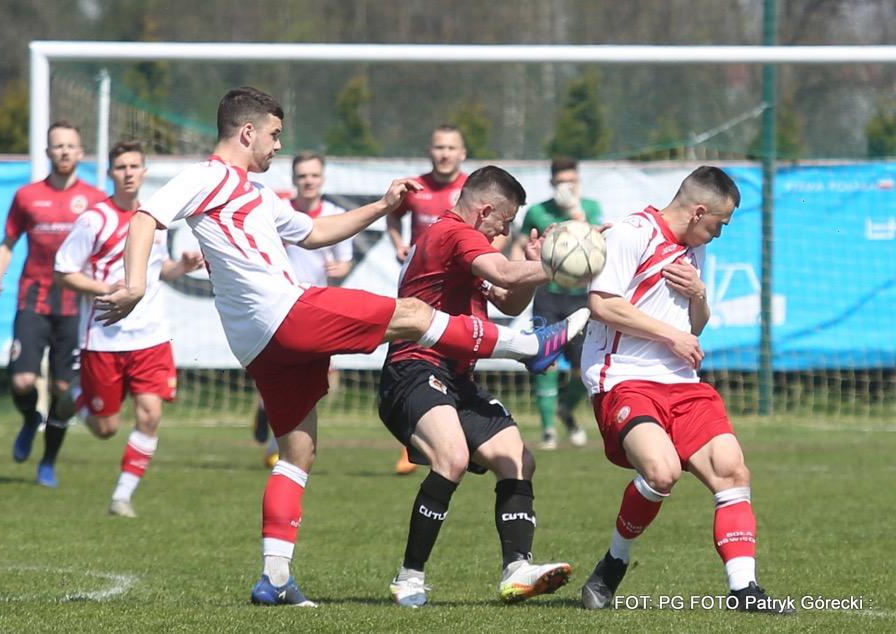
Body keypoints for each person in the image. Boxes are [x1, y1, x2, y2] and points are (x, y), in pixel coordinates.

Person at [95, 86, 583, 607]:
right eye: (274, 135)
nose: (277, 146)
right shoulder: (208, 176)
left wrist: (381, 206)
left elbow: (314, 233)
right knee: (411, 315)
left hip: (258, 343)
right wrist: (136, 284)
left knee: (298, 452)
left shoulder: (258, 194)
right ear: (247, 132)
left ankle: (275, 578)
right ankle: (527, 346)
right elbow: (146, 217)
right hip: (282, 311)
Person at [578, 166, 792, 614]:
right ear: (698, 212)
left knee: (732, 471)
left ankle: (745, 591)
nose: (719, 234)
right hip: (625, 378)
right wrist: (671, 336)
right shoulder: (632, 234)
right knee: (661, 472)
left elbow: (693, 327)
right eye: (718, 224)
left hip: (682, 382)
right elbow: (602, 305)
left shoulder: (695, 249)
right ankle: (615, 562)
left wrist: (699, 295)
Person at [380, 165, 590, 608]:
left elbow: (510, 298)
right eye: (505, 221)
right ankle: (409, 577)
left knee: (518, 458)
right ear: (485, 210)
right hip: (414, 369)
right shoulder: (454, 234)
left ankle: (517, 570)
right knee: (452, 457)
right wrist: (563, 261)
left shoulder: (462, 243)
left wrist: (532, 265)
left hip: (457, 378)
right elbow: (507, 273)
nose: (506, 231)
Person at [54, 141, 204, 516]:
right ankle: (74, 393)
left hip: (151, 336)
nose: (128, 173)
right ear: (110, 173)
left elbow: (158, 270)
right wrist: (105, 288)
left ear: (144, 172)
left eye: (134, 166)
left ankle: (122, 496)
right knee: (105, 428)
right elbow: (63, 271)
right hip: (104, 336)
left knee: (150, 414)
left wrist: (182, 267)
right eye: (121, 167)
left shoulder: (154, 219)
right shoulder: (94, 220)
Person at [0, 120, 108, 488]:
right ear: (48, 152)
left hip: (75, 305)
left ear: (81, 152)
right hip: (33, 299)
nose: (64, 151)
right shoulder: (27, 196)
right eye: (58, 145)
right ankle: (29, 420)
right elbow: (8, 242)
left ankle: (48, 462)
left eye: (71, 145)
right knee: (23, 380)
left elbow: (105, 249)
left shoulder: (96, 200)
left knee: (63, 391)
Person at [254, 152, 355, 468]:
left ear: (322, 178)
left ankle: (280, 435)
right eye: (302, 176)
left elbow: (346, 260)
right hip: (279, 306)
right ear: (294, 179)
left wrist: (340, 269)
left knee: (311, 383)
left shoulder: (335, 214)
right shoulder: (279, 211)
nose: (308, 181)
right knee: (278, 375)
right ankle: (276, 441)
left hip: (317, 308)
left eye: (313, 175)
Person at [385, 124, 468, 475]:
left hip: (459, 293)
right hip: (419, 293)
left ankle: (455, 433)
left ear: (462, 153)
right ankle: (413, 441)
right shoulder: (415, 188)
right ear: (429, 151)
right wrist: (398, 244)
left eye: (451, 147)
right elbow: (393, 216)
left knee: (458, 363)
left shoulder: (470, 189)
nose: (444, 154)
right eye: (439, 147)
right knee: (412, 361)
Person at [511, 156, 601, 450]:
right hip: (547, 295)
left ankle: (566, 409)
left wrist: (575, 212)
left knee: (583, 367)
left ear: (579, 181)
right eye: (561, 182)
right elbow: (521, 243)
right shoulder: (537, 211)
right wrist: (515, 272)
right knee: (545, 360)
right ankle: (548, 430)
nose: (567, 186)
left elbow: (596, 244)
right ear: (551, 182)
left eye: (571, 181)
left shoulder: (590, 208)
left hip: (580, 297)